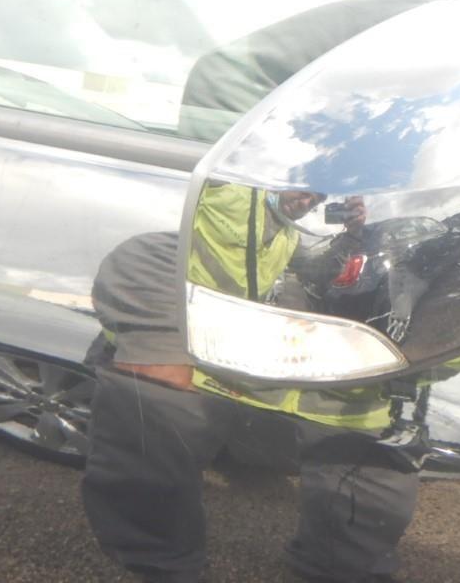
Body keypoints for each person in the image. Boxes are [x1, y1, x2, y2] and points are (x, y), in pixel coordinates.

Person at [81, 185, 417, 583]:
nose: (311, 200)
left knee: (366, 455)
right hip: (183, 297)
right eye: (305, 190)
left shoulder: (291, 236)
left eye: (319, 197)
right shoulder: (201, 220)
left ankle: (337, 566)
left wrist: (355, 239)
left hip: (294, 341)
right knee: (156, 413)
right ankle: (163, 566)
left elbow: (317, 270)